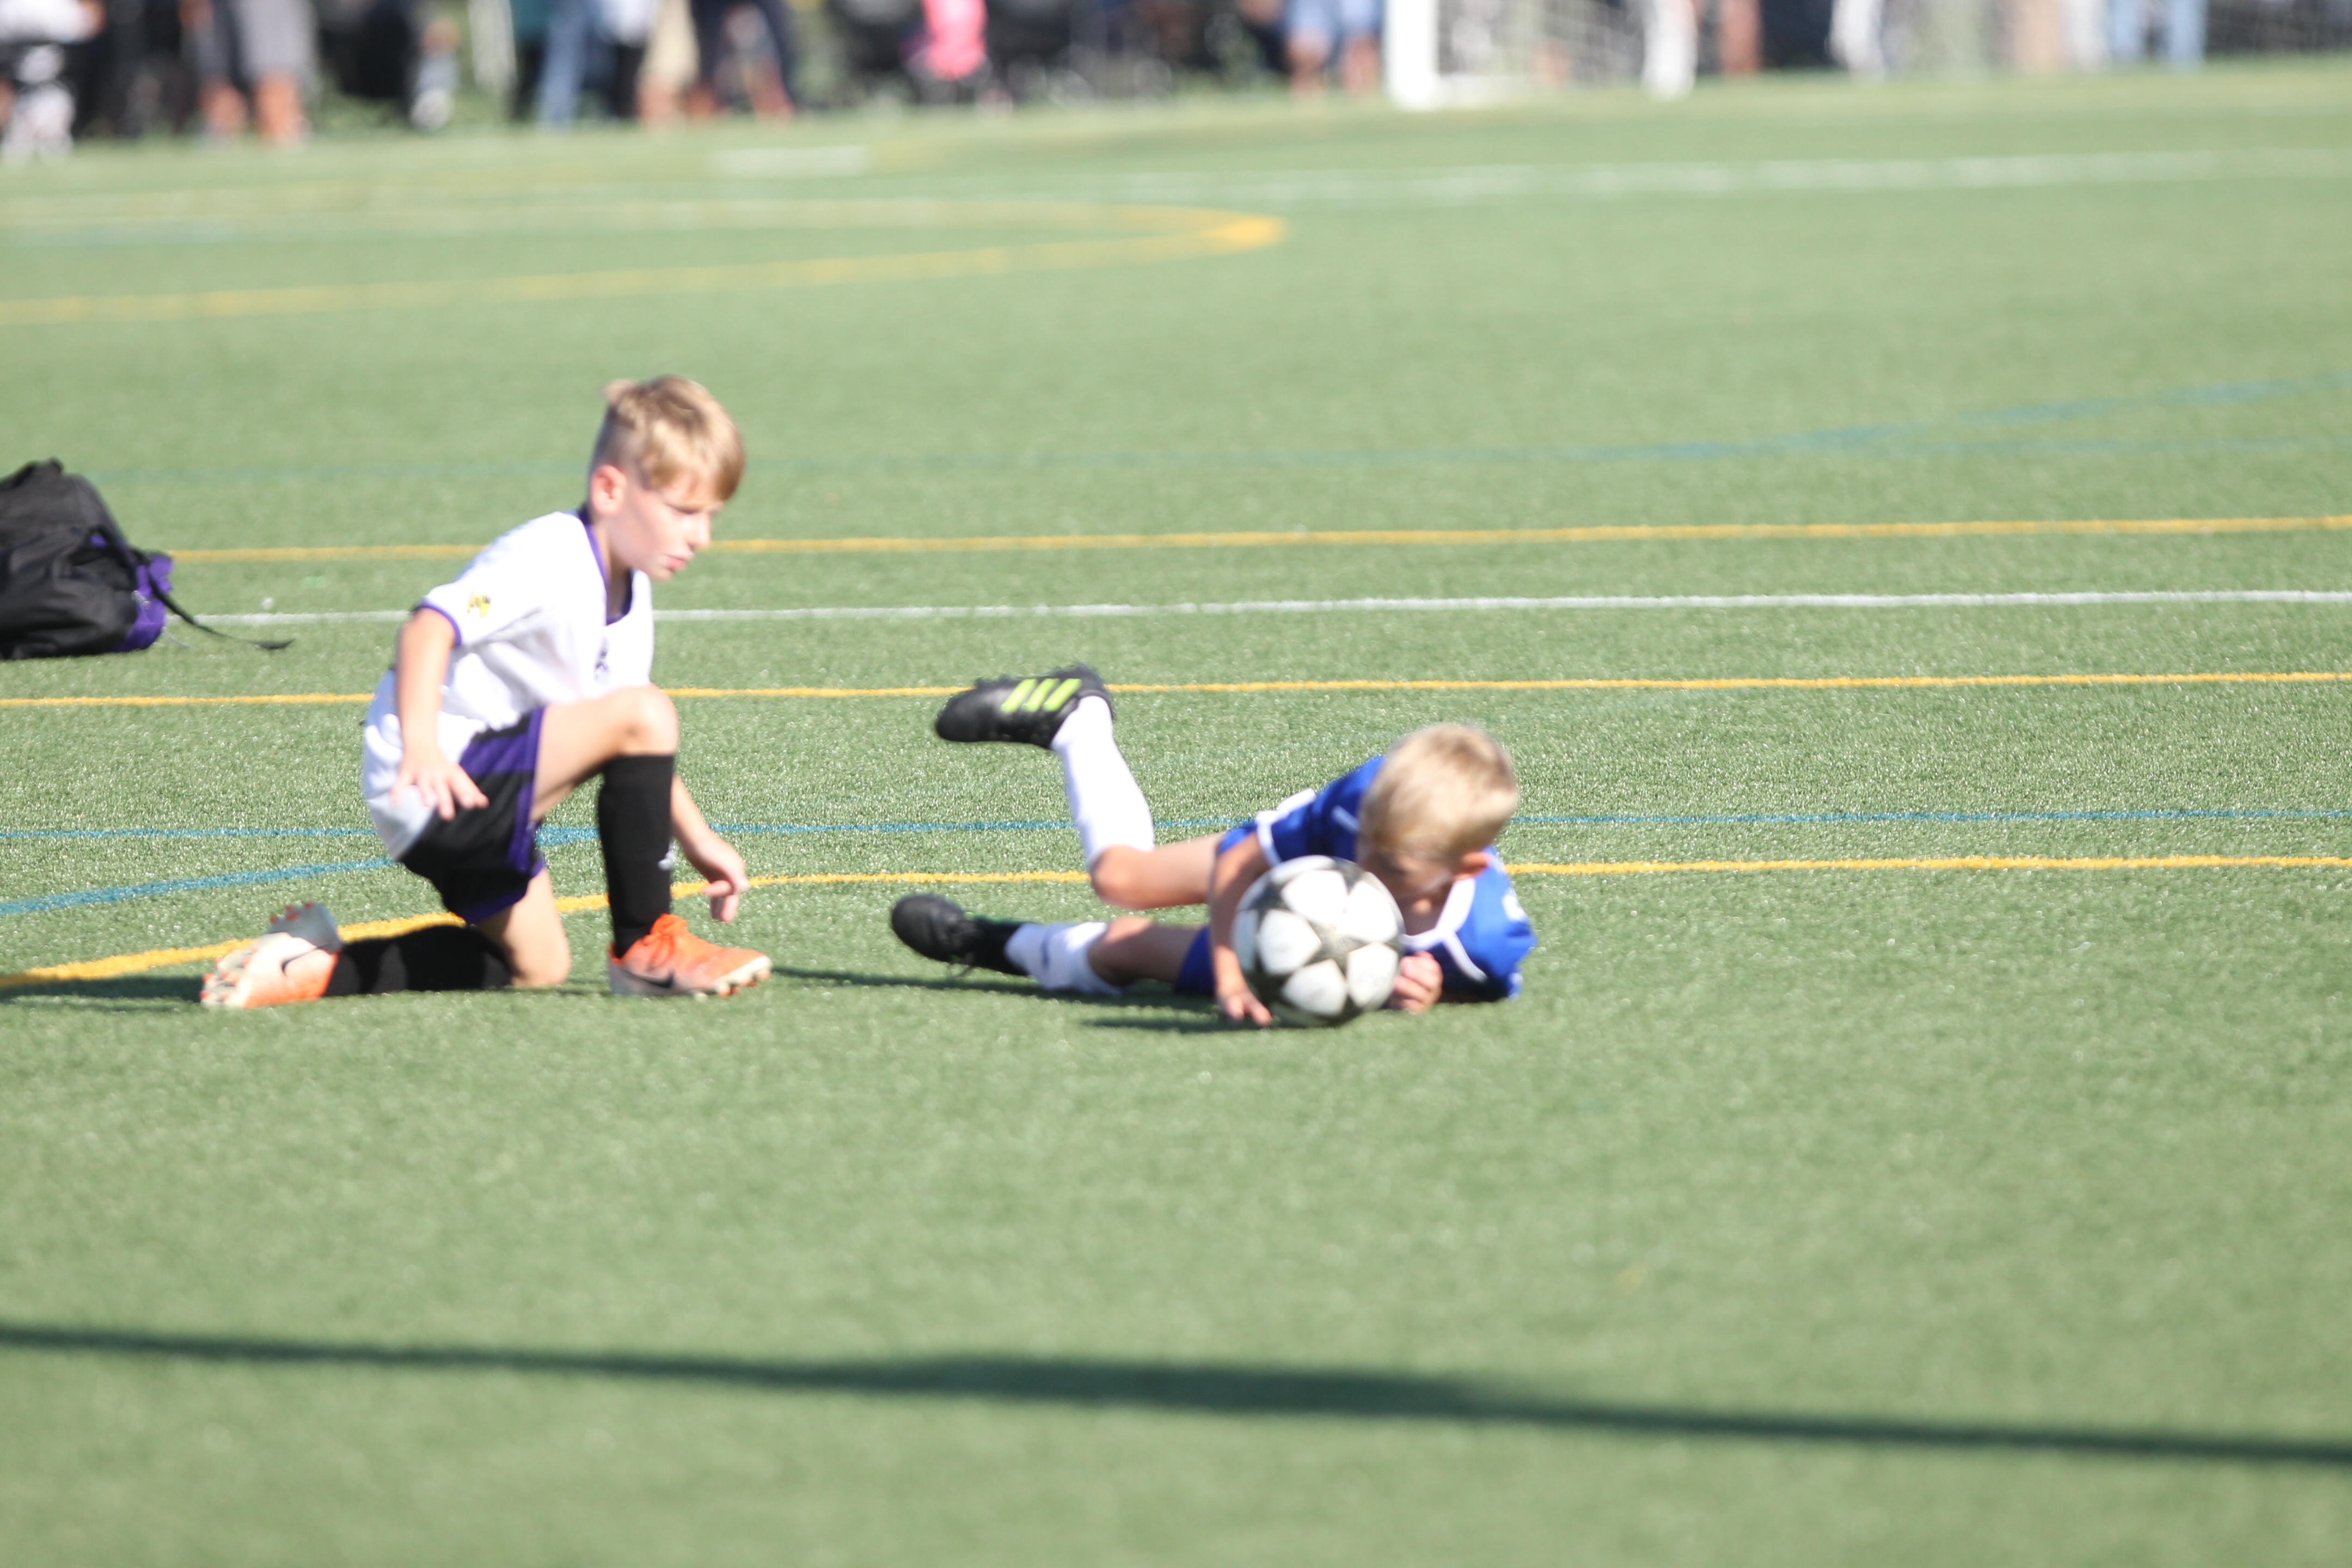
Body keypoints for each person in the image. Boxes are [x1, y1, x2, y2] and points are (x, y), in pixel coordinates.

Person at [201, 377, 771, 1009]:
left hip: (481, 806)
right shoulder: (551, 553)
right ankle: (647, 947)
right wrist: (423, 748)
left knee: (537, 965)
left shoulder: (630, 594)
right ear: (611, 490)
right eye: (685, 512)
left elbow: (636, 746)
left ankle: (313, 968)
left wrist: (698, 840)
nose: (701, 536)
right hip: (439, 779)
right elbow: (427, 629)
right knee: (646, 711)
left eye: (711, 517)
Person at [890, 671, 1535, 1024]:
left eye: (1391, 866)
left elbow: (1481, 987)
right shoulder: (1359, 805)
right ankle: (1077, 723)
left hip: (1299, 945)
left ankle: (989, 943)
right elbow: (1241, 860)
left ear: (1468, 867)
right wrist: (1230, 970)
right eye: (1363, 843)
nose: (1362, 866)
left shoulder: (1487, 941)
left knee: (1125, 948)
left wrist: (1428, 991)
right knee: (1120, 881)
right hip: (1291, 857)